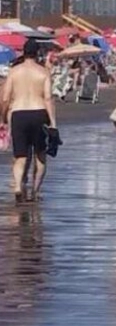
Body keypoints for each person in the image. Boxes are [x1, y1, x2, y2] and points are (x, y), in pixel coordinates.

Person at [0, 39, 57, 203]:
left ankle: (18, 186)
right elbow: (48, 98)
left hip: (18, 113)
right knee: (40, 155)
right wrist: (53, 122)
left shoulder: (14, 72)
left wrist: (3, 118)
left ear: (23, 52)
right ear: (38, 53)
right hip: (39, 113)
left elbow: (5, 98)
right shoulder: (43, 72)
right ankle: (36, 190)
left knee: (20, 156)